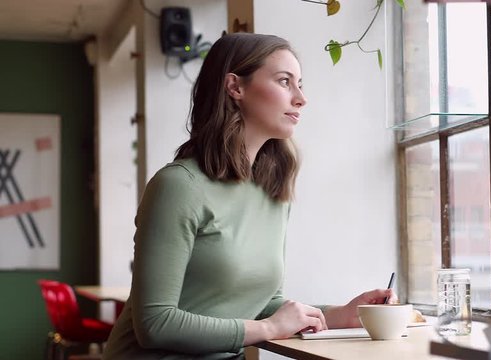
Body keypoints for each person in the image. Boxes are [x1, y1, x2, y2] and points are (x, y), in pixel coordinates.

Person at [102, 32, 395, 360]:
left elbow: (258, 302)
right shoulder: (178, 186)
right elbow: (155, 324)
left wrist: (341, 314)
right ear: (235, 87)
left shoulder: (273, 192)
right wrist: (269, 329)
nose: (300, 98)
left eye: (300, 83)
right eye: (285, 82)